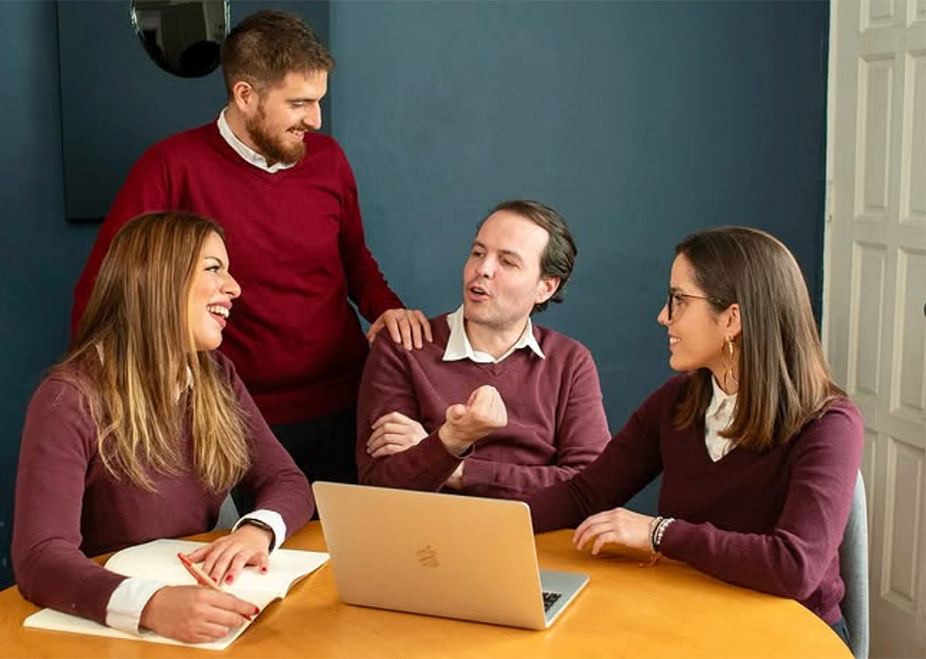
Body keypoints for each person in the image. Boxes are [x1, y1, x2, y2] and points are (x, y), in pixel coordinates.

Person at [71, 10, 429, 488]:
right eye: (299, 103)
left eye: (319, 101)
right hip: (226, 413)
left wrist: (387, 308)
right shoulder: (171, 166)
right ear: (245, 95)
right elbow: (105, 288)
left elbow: (354, 259)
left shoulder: (329, 159)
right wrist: (89, 401)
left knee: (348, 556)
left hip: (345, 403)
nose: (316, 120)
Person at [525, 226, 863, 644]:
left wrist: (658, 533)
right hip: (691, 616)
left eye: (679, 300)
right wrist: (493, 529)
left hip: (791, 635)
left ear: (732, 319)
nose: (663, 316)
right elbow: (585, 495)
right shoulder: (677, 401)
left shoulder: (829, 423)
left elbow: (794, 567)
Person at [14, 212, 314, 644]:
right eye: (214, 268)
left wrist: (258, 529)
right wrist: (149, 605)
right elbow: (40, 557)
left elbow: (286, 480)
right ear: (159, 280)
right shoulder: (68, 398)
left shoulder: (215, 375)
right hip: (112, 634)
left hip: (209, 612)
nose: (234, 288)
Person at [356, 200, 610, 498]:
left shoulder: (570, 361)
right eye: (478, 252)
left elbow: (592, 486)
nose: (482, 269)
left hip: (535, 536)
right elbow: (379, 487)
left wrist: (453, 460)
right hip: (427, 538)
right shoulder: (403, 347)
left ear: (546, 287)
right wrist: (452, 441)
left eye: (508, 262)